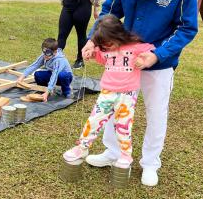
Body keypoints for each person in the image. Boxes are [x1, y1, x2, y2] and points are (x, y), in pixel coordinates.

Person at [82, 0, 198, 186]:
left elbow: (187, 28)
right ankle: (113, 153)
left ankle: (150, 163)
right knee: (114, 105)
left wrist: (157, 54)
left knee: (156, 113)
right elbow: (109, 13)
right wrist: (93, 40)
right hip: (123, 59)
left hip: (159, 61)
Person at [63, 15, 154, 170]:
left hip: (127, 95)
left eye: (107, 43)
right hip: (107, 93)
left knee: (123, 126)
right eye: (102, 44)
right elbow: (100, 56)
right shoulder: (104, 48)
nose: (105, 46)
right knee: (93, 121)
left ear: (117, 35)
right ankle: (82, 148)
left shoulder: (135, 47)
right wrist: (91, 54)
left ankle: (125, 155)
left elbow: (151, 50)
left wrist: (146, 59)